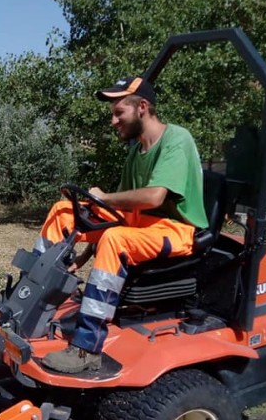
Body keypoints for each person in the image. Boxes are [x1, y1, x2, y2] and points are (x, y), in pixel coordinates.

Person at [35, 76, 209, 374]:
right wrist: (84, 254)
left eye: (119, 113)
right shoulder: (136, 152)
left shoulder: (176, 139)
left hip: (176, 230)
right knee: (64, 210)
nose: (113, 121)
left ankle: (87, 348)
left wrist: (104, 197)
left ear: (142, 107)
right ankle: (32, 295)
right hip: (139, 224)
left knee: (116, 239)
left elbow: (155, 197)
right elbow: (115, 212)